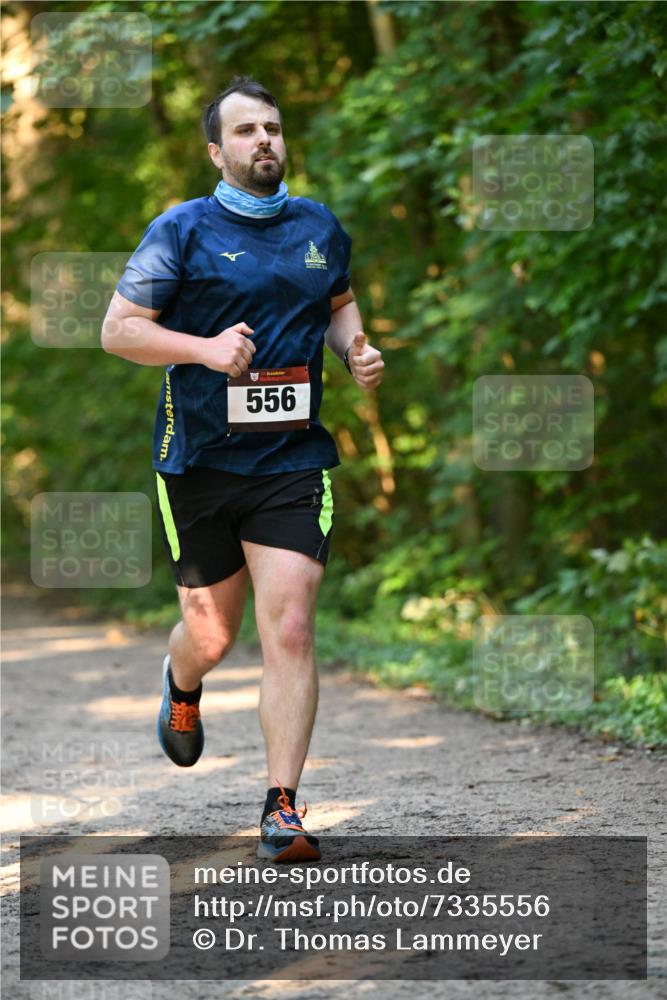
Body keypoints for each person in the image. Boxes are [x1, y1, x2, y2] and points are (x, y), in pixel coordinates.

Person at [102, 76, 384, 862]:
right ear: (214, 151)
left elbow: (337, 304)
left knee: (289, 626)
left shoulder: (318, 225)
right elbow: (119, 330)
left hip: (292, 459)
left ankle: (281, 807)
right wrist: (203, 349)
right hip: (199, 461)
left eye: (273, 127)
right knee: (212, 633)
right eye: (246, 130)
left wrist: (355, 350)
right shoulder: (180, 231)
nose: (265, 140)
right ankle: (182, 681)